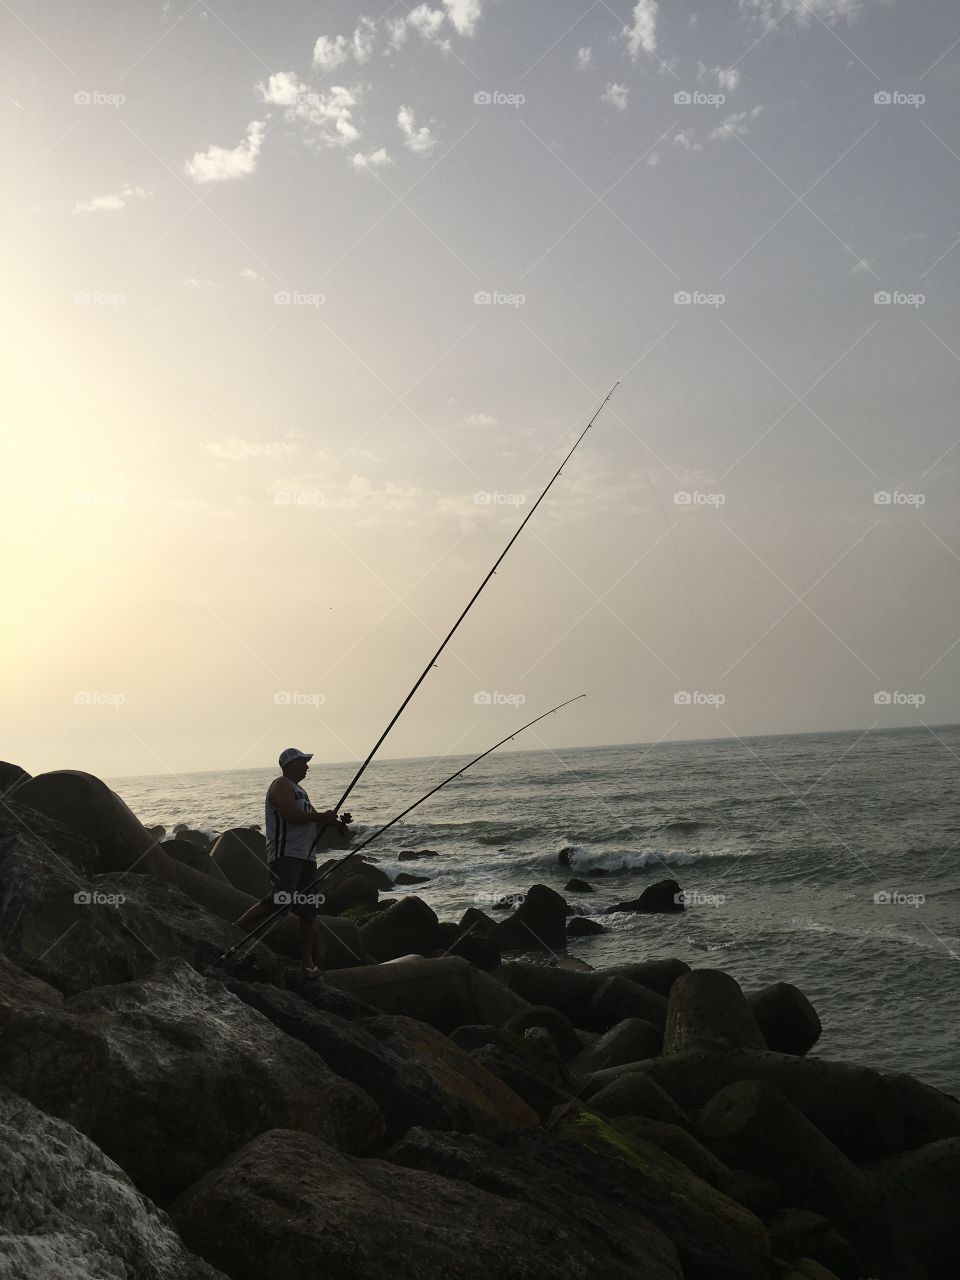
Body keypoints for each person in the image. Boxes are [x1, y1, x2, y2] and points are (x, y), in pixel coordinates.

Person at [234, 747, 349, 977]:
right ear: (290, 764)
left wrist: (337, 824)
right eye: (303, 762)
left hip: (307, 857)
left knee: (309, 909)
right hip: (286, 853)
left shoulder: (302, 792)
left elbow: (315, 820)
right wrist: (321, 816)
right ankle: (234, 929)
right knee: (280, 897)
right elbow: (291, 815)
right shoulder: (281, 785)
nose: (307, 766)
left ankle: (307, 962)